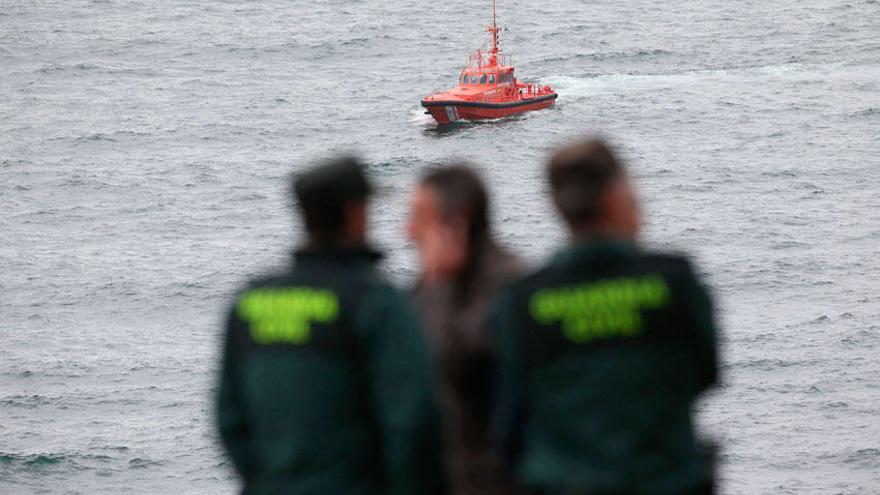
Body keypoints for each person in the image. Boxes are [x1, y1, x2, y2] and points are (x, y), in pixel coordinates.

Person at [490, 138, 719, 495]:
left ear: (555, 205)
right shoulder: (674, 282)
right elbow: (707, 372)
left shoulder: (523, 302)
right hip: (665, 479)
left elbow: (509, 417)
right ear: (615, 196)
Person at [216, 156, 445, 495]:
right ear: (355, 215)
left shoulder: (250, 301)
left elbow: (230, 420)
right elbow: (414, 419)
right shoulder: (376, 303)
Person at [407, 164, 524, 495]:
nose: (408, 230)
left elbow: (458, 366)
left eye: (419, 217)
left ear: (457, 224)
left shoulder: (510, 290)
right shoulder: (429, 290)